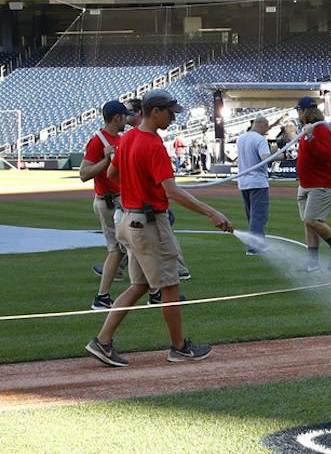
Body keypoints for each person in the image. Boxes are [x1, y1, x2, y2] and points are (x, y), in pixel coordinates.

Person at [85, 91, 233, 368]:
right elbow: (172, 191)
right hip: (150, 223)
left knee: (140, 285)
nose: (174, 117)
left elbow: (112, 175)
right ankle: (179, 348)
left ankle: (102, 341)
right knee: (169, 286)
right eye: (169, 112)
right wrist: (212, 213)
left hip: (128, 221)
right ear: (155, 112)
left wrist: (135, 184)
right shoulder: (153, 145)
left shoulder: (127, 138)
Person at [79, 100, 132, 310]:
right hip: (109, 201)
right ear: (117, 117)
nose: (127, 120)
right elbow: (84, 174)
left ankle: (153, 291)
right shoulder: (98, 141)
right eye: (124, 117)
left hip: (119, 199)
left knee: (128, 246)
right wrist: (106, 161)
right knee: (118, 249)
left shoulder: (118, 139)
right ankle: (102, 297)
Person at [295, 95, 331, 271]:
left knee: (311, 219)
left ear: (304, 111)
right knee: (308, 222)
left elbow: (324, 155)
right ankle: (313, 263)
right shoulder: (307, 130)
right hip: (307, 183)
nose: (298, 114)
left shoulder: (321, 129)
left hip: (322, 183)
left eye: (299, 111)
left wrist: (310, 137)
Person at [235, 115, 274, 254]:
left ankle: (258, 242)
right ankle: (255, 246)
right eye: (266, 127)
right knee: (258, 216)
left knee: (252, 215)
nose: (267, 130)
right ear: (262, 125)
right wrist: (280, 155)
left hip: (243, 181)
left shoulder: (241, 138)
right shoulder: (260, 139)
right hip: (257, 181)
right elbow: (265, 158)